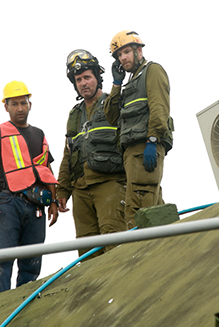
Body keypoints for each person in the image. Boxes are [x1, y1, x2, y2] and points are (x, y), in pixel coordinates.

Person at [0, 80, 59, 294]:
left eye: (23, 103)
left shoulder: (39, 134)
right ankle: (1, 308)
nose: (20, 108)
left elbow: (47, 170)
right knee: (2, 261)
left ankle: (24, 307)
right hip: (7, 202)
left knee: (32, 263)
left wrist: (53, 201)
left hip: (35, 206)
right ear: (6, 106)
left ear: (30, 104)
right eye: (14, 104)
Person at [56, 49, 127, 260]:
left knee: (114, 242)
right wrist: (62, 191)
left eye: (87, 77)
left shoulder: (113, 104)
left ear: (97, 77)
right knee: (87, 253)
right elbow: (68, 154)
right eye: (78, 80)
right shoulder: (74, 114)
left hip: (109, 184)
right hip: (80, 190)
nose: (83, 83)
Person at [104, 30, 174, 229]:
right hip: (131, 152)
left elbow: (159, 109)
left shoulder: (152, 71)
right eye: (119, 55)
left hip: (145, 147)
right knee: (151, 204)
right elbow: (111, 116)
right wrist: (117, 84)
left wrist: (152, 141)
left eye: (126, 52)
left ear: (138, 50)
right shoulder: (129, 82)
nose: (123, 58)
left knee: (138, 208)